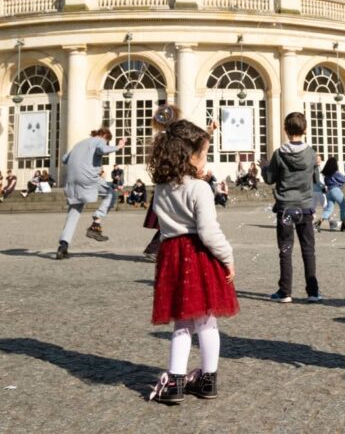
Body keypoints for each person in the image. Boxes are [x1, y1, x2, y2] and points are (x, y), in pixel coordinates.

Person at [148, 105, 238, 405]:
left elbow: (161, 227)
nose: (206, 160)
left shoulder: (161, 188)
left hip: (172, 254)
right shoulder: (200, 188)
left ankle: (174, 382)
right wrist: (228, 257)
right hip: (198, 255)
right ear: (189, 158)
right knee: (207, 322)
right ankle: (208, 379)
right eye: (203, 155)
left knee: (182, 323)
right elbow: (209, 232)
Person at [260, 112, 322, 303]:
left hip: (285, 207)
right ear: (305, 130)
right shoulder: (311, 154)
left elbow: (270, 179)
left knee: (285, 249)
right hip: (304, 207)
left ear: (285, 131)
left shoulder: (279, 153)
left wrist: (264, 167)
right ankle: (313, 292)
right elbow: (316, 180)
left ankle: (285, 291)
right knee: (308, 249)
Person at [55, 128, 126, 259]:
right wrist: (119, 146)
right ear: (104, 135)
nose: (106, 142)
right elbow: (102, 150)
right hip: (87, 178)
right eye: (107, 140)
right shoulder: (99, 140)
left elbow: (65, 159)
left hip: (71, 181)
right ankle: (96, 224)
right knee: (111, 193)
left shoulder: (79, 144)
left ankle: (63, 246)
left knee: (74, 212)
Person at [315, 157, 345, 232]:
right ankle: (343, 226)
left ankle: (319, 222)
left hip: (329, 191)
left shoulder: (326, 174)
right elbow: (344, 180)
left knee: (329, 209)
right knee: (343, 206)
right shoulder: (336, 173)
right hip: (336, 190)